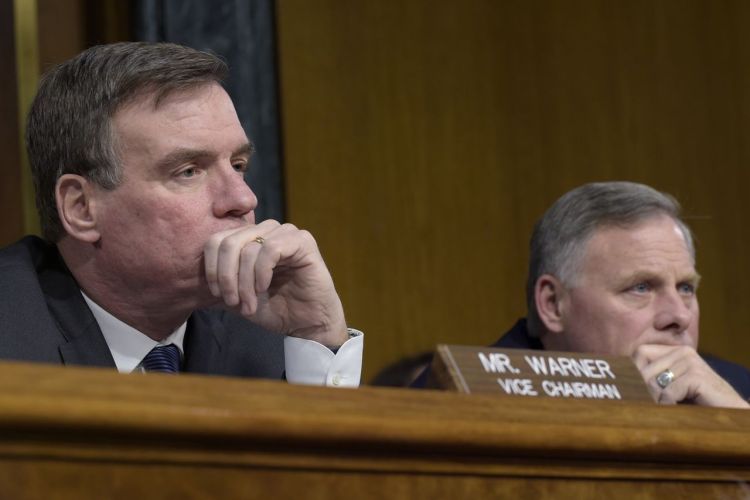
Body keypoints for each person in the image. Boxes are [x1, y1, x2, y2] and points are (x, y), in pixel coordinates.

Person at [0, 42, 362, 386]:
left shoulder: (270, 331)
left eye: (238, 165)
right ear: (81, 208)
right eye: (188, 171)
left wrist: (315, 334)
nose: (243, 198)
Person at [493, 181, 749, 408]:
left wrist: (738, 427)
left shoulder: (737, 393)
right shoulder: (478, 397)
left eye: (685, 288)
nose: (680, 316)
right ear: (553, 304)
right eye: (641, 288)